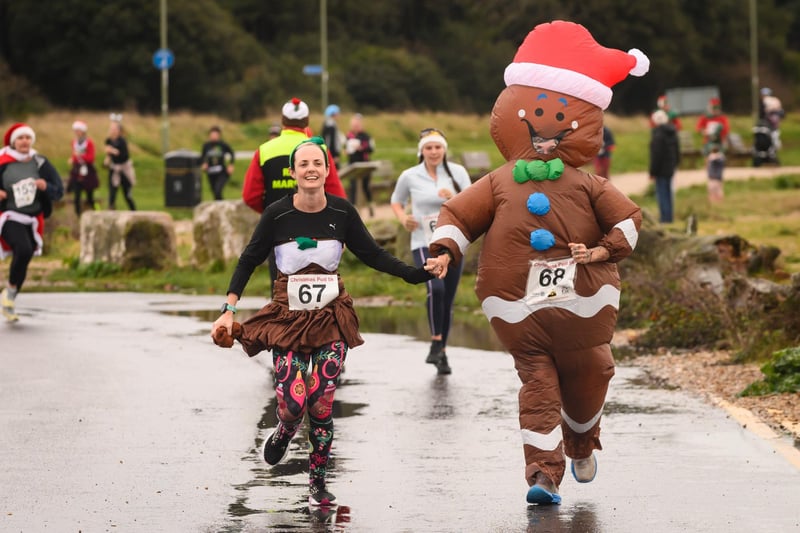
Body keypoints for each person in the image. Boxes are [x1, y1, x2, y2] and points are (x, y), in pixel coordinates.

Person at [425, 20, 646, 505]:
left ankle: (582, 440)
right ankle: (543, 475)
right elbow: (460, 213)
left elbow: (628, 220)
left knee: (592, 373)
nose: (545, 121)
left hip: (584, 305)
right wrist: (443, 250)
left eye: (559, 112)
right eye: (536, 109)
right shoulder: (500, 181)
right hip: (516, 304)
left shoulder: (588, 185)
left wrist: (605, 249)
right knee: (538, 383)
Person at [211, 137, 432, 507]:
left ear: (327, 170)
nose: (311, 169)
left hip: (331, 317)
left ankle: (317, 484)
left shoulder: (342, 212)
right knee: (296, 403)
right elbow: (249, 259)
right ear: (293, 172)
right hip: (287, 319)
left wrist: (415, 274)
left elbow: (372, 254)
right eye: (304, 164)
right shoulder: (277, 214)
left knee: (322, 403)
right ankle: (284, 429)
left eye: (318, 163)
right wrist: (228, 308)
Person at [242, 97, 346, 294]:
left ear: (283, 121)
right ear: (306, 121)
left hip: (278, 231)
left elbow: (250, 195)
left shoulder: (264, 150)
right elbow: (336, 193)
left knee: (281, 293)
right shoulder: (319, 150)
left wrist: (269, 212)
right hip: (320, 230)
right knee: (322, 295)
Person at [390, 128, 472, 375]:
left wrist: (454, 196)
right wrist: (403, 218)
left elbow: (473, 202)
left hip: (453, 241)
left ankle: (442, 353)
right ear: (421, 151)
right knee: (435, 287)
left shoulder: (457, 172)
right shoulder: (410, 175)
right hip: (424, 241)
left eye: (438, 147)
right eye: (429, 148)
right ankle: (436, 340)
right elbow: (396, 200)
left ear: (444, 148)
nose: (434, 152)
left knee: (447, 298)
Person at [0, 123, 65, 322]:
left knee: (25, 257)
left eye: (28, 138)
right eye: (20, 138)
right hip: (9, 216)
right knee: (24, 249)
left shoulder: (40, 162)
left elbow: (58, 189)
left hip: (33, 218)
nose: (24, 142)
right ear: (13, 142)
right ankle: (9, 293)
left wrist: (46, 186)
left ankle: (9, 295)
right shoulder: (3, 161)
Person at [649, 110, 681, 223]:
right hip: (670, 167)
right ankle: (669, 217)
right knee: (669, 193)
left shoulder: (658, 135)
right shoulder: (673, 132)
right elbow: (677, 151)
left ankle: (664, 219)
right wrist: (675, 164)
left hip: (661, 170)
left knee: (662, 194)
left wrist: (652, 172)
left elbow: (656, 156)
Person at [696, 98, 729, 203]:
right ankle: (711, 193)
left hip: (718, 146)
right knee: (710, 170)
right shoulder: (705, 117)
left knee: (718, 171)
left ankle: (719, 193)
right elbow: (699, 128)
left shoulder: (722, 118)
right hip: (708, 145)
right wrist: (705, 132)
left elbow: (725, 131)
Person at [344, 113, 375, 213]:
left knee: (365, 186)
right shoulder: (349, 135)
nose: (355, 127)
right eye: (353, 125)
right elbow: (345, 147)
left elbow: (371, 148)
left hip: (364, 165)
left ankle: (370, 205)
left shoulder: (366, 136)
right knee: (353, 186)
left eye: (356, 125)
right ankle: (353, 208)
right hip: (352, 165)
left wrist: (361, 148)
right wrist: (346, 151)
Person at [104, 115, 136, 210]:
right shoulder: (109, 141)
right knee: (112, 192)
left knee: (127, 195)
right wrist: (107, 160)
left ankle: (134, 211)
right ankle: (111, 210)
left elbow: (123, 155)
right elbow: (109, 154)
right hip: (114, 169)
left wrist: (113, 151)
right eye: (111, 129)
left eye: (114, 129)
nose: (112, 131)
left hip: (124, 170)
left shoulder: (122, 141)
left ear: (119, 130)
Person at [67, 120, 99, 216]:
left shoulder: (89, 143)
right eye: (75, 130)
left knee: (90, 196)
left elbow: (91, 158)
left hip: (87, 170)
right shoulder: (74, 142)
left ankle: (95, 212)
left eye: (78, 130)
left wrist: (79, 156)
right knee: (76, 195)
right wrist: (72, 159)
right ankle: (78, 216)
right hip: (77, 170)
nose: (76, 132)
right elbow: (74, 155)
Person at [200, 126, 235, 201]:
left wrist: (231, 164)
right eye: (212, 135)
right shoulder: (206, 146)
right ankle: (220, 208)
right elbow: (202, 157)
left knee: (218, 190)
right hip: (211, 172)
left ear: (219, 136)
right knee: (215, 194)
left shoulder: (223, 145)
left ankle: (222, 207)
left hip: (221, 172)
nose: (214, 137)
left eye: (215, 135)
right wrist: (203, 164)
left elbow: (232, 153)